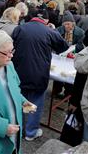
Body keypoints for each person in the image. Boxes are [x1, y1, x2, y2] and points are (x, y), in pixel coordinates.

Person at [12, 10, 69, 141]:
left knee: (20, 100)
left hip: (19, 72)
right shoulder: (49, 32)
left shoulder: (20, 28)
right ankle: (30, 133)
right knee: (35, 102)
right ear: (47, 21)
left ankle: (19, 129)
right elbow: (63, 47)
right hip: (39, 74)